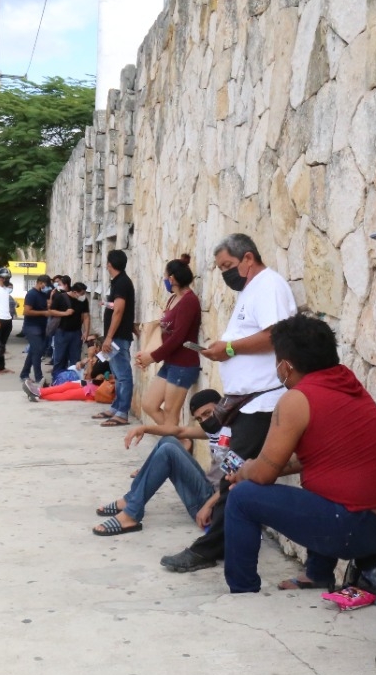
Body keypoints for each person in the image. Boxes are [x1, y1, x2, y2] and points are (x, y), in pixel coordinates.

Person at [223, 315, 376, 594]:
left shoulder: (296, 399)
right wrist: (263, 467)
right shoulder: (345, 382)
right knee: (323, 488)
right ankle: (316, 575)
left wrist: (244, 472)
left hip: (355, 528)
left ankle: (242, 589)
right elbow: (320, 459)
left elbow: (263, 474)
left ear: (285, 366)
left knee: (242, 497)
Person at [158, 232, 298, 573]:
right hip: (246, 402)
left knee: (231, 474)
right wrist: (222, 347)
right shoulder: (253, 289)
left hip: (263, 401)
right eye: (222, 268)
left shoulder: (268, 285)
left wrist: (230, 349)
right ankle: (227, 542)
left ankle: (209, 549)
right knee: (234, 474)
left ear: (248, 258)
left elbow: (277, 334)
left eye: (228, 266)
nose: (226, 274)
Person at [92, 389, 225, 536]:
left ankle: (130, 514)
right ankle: (130, 499)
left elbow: (237, 481)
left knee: (168, 450)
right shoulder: (217, 430)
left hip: (213, 505)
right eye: (199, 418)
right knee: (168, 440)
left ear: (222, 407)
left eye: (207, 413)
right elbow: (179, 431)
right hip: (208, 489)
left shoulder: (240, 435)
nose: (205, 421)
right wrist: (145, 428)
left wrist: (207, 506)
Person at [136, 258, 202, 426]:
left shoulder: (189, 301)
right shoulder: (173, 299)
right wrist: (148, 352)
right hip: (170, 362)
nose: (164, 280)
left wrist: (152, 357)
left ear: (172, 279)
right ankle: (181, 440)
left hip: (183, 364)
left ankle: (174, 443)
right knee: (149, 404)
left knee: (171, 412)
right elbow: (165, 330)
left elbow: (178, 337)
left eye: (165, 276)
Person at [98, 251, 137, 426]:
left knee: (123, 376)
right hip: (116, 337)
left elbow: (119, 310)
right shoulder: (118, 282)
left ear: (110, 264)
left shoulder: (122, 283)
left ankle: (122, 412)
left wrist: (109, 337)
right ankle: (116, 408)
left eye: (107, 263)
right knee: (117, 374)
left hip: (118, 337)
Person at [51, 280, 91, 378]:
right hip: (62, 332)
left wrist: (86, 332)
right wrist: (64, 313)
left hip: (76, 333)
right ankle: (57, 379)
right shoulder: (61, 298)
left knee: (75, 359)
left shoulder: (83, 300)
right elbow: (52, 312)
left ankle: (73, 379)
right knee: (60, 358)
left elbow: (86, 316)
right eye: (81, 294)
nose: (83, 296)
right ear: (74, 292)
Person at [19, 274, 53, 385]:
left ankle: (24, 373)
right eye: (46, 285)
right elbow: (27, 311)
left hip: (41, 327)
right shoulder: (31, 294)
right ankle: (39, 377)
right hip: (32, 327)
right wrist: (43, 312)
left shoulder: (43, 294)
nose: (47, 287)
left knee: (34, 351)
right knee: (37, 351)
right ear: (40, 282)